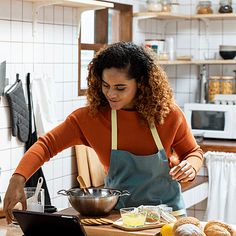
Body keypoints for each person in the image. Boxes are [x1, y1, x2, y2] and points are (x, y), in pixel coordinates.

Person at [4, 41, 203, 223]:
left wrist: (190, 168)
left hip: (167, 217)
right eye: (105, 85)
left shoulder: (168, 114)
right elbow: (47, 145)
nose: (111, 94)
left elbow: (193, 153)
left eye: (120, 87)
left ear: (141, 83)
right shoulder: (89, 119)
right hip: (120, 219)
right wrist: (18, 178)